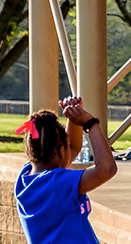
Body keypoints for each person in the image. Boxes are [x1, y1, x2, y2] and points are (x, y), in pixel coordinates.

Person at [15, 98, 115, 243]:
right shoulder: (58, 184)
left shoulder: (25, 179)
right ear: (62, 151)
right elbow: (107, 169)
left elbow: (73, 147)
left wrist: (73, 118)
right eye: (66, 146)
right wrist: (90, 123)